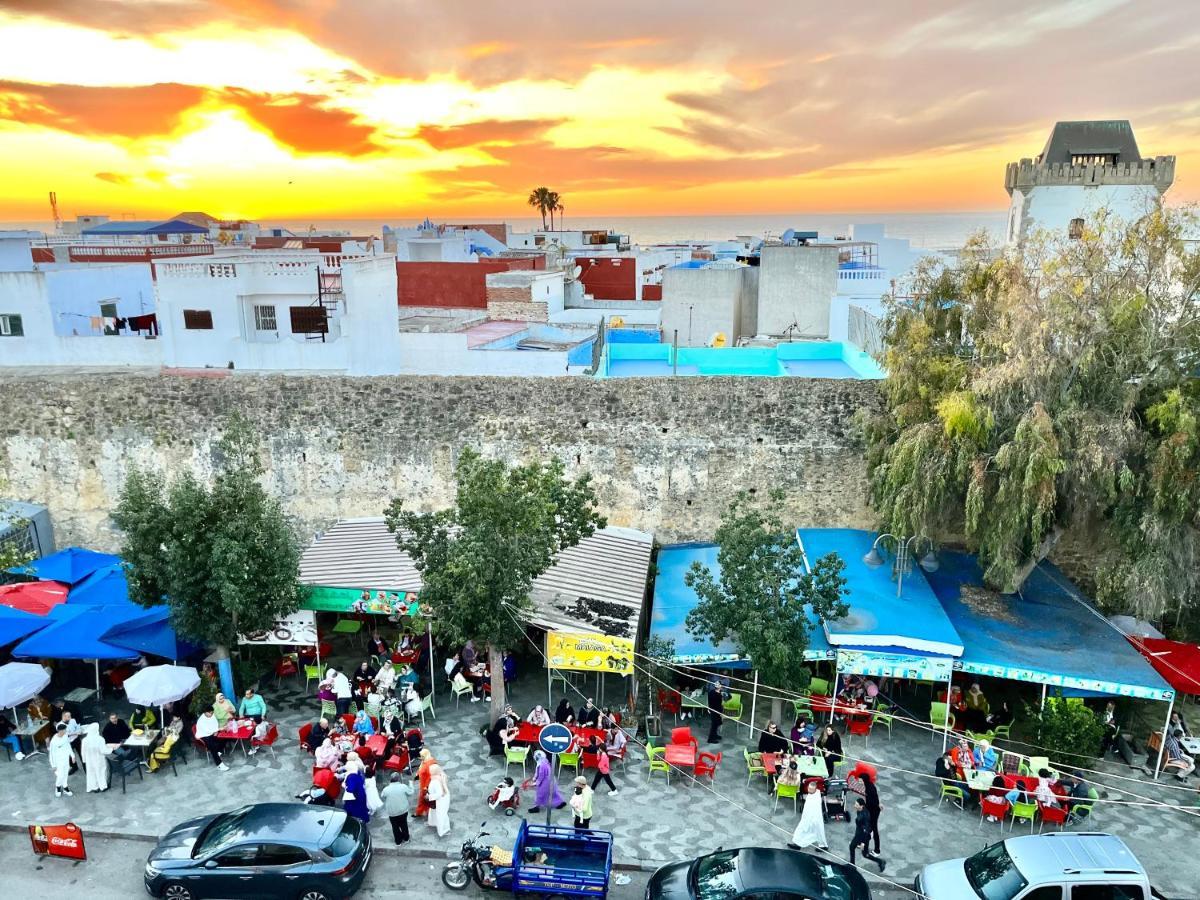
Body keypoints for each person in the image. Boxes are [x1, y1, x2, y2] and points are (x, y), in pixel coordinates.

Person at [789, 780, 828, 850]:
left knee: (805, 830)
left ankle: (798, 844)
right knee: (818, 832)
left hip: (812, 819)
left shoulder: (815, 800)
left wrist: (808, 821)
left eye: (811, 789)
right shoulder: (815, 793)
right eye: (809, 788)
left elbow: (813, 810)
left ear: (815, 789)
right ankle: (822, 845)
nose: (809, 790)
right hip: (811, 818)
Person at [849, 797, 885, 871]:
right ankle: (852, 865)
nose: (854, 805)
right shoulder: (860, 810)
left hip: (863, 836)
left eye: (856, 804)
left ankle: (852, 865)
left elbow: (866, 830)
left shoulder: (865, 815)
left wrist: (862, 843)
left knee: (858, 850)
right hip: (859, 833)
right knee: (857, 850)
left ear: (861, 806)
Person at [381, 771, 413, 844]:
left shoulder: (386, 789)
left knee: (395, 827)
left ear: (390, 779)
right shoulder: (403, 786)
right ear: (398, 779)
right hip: (403, 810)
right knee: (404, 825)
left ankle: (398, 841)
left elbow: (382, 796)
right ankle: (406, 839)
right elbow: (411, 793)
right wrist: (411, 784)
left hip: (392, 812)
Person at [196, 706, 230, 771]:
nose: (211, 714)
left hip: (212, 733)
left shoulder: (212, 715)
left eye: (212, 713)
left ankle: (219, 751)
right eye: (210, 713)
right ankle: (219, 764)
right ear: (205, 712)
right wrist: (216, 730)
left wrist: (216, 731)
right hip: (204, 735)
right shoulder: (201, 720)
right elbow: (207, 730)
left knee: (224, 737)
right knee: (212, 747)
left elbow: (215, 723)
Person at [48, 723, 77, 797]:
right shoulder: (54, 741)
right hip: (58, 761)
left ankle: (65, 787)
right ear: (60, 731)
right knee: (60, 775)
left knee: (65, 774)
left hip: (65, 759)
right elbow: (51, 754)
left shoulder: (65, 737)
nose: (65, 731)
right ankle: (57, 787)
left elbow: (68, 746)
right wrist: (53, 765)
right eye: (64, 730)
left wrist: (72, 756)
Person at [81, 722, 109, 793]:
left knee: (91, 773)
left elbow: (83, 751)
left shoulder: (85, 740)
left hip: (89, 760)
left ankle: (95, 787)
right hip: (99, 759)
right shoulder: (100, 739)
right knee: (101, 772)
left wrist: (84, 760)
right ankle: (103, 786)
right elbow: (104, 750)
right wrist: (111, 749)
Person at [342, 756, 370, 823]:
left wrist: (344, 786)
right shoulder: (357, 772)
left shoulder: (351, 776)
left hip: (355, 796)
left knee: (355, 810)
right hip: (361, 793)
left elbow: (351, 789)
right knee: (362, 808)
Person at [861, 771, 883, 855]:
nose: (859, 781)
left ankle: (877, 850)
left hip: (874, 811)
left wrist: (864, 807)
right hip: (873, 809)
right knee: (868, 828)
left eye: (860, 780)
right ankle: (863, 842)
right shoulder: (869, 785)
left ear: (864, 780)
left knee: (874, 829)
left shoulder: (869, 788)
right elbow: (876, 797)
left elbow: (871, 802)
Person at [426, 764, 451, 837]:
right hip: (443, 798)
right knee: (435, 812)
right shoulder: (440, 776)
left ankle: (443, 830)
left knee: (441, 814)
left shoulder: (435, 781)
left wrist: (429, 797)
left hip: (440, 800)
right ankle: (433, 823)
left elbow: (439, 793)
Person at [415, 748, 437, 818]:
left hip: (426, 784)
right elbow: (421, 769)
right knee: (425, 798)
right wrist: (418, 774)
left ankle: (420, 812)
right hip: (423, 782)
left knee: (423, 798)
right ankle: (424, 811)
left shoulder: (430, 764)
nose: (421, 758)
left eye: (422, 756)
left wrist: (426, 786)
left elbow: (430, 776)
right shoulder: (426, 761)